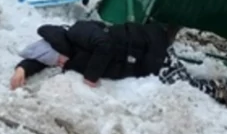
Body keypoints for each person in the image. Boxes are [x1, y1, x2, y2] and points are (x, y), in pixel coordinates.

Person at [10, 19, 182, 89]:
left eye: (59, 60)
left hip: (151, 50)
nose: (60, 64)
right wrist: (22, 69)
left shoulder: (78, 31)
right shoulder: (67, 53)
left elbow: (104, 44)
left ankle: (209, 86)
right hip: (141, 64)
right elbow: (42, 59)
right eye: (57, 63)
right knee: (182, 84)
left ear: (61, 48)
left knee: (188, 87)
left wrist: (91, 76)